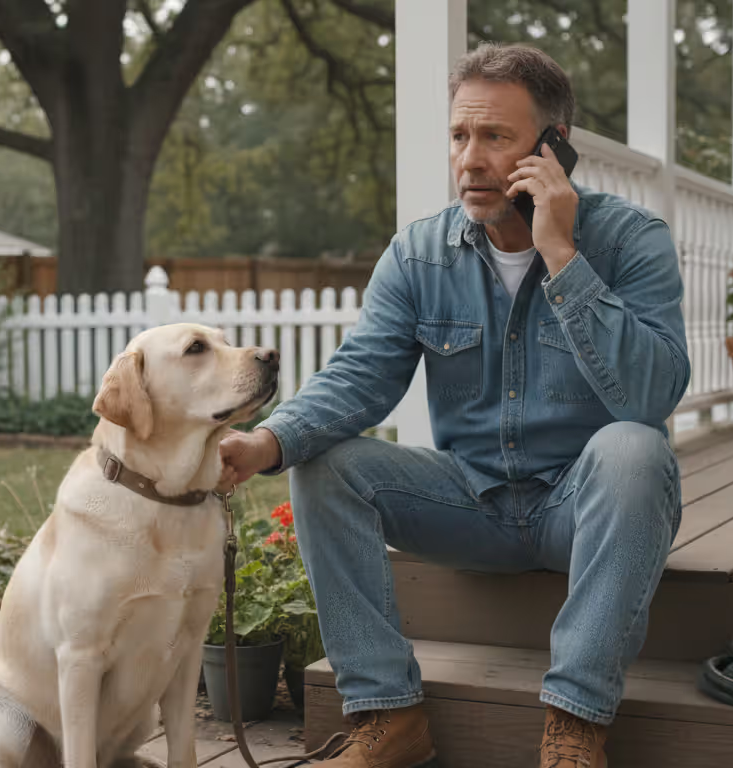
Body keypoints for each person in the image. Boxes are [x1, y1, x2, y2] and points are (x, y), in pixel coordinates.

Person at [218, 42, 688, 768]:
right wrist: (267, 442)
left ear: (553, 148)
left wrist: (561, 254)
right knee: (326, 465)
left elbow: (651, 396)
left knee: (635, 450)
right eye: (460, 135)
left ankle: (574, 728)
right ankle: (389, 719)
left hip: (581, 506)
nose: (470, 159)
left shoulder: (631, 242)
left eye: (495, 137)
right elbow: (360, 377)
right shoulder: (418, 255)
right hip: (472, 502)